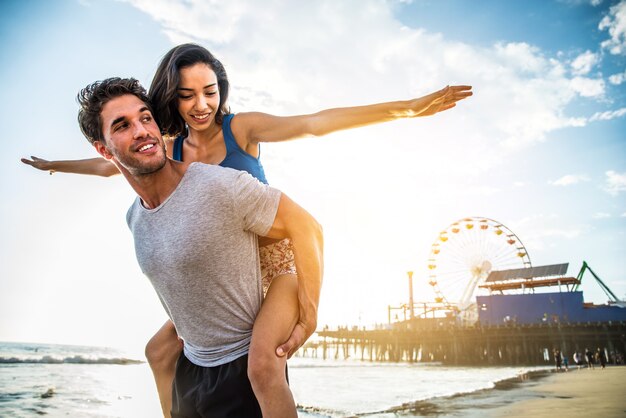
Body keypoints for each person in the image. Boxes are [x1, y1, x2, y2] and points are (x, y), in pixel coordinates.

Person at [22, 43, 472, 416]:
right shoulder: (165, 144)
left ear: (222, 91)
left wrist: (407, 109)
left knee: (262, 366)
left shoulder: (241, 129)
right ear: (170, 98)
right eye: (186, 95)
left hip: (276, 263)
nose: (201, 106)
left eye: (210, 92)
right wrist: (55, 167)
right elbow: (111, 164)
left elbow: (315, 123)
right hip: (226, 269)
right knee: (159, 352)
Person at [76, 76, 323, 417]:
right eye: (122, 125)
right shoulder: (135, 220)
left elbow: (307, 226)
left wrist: (309, 314)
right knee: (156, 352)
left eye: (145, 118)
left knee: (263, 369)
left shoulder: (218, 185)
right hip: (192, 371)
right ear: (103, 149)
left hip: (243, 368)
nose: (141, 130)